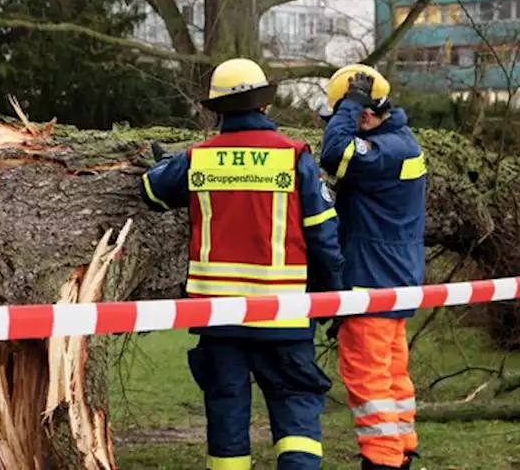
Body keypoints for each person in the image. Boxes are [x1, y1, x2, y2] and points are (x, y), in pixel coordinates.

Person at [142, 58, 345, 470]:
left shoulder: (199, 159)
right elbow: (324, 239)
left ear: (217, 110)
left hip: (220, 319)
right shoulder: (293, 157)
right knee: (296, 411)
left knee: (227, 417)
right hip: (284, 317)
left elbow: (152, 191)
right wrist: (333, 297)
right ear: (264, 106)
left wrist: (166, 164)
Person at [318, 64, 427, 470]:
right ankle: (400, 452)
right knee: (393, 376)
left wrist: (349, 105)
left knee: (368, 379)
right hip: (392, 278)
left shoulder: (384, 151)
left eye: (344, 117)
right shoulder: (399, 143)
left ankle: (381, 460)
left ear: (363, 114)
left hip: (372, 281)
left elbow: (335, 154)